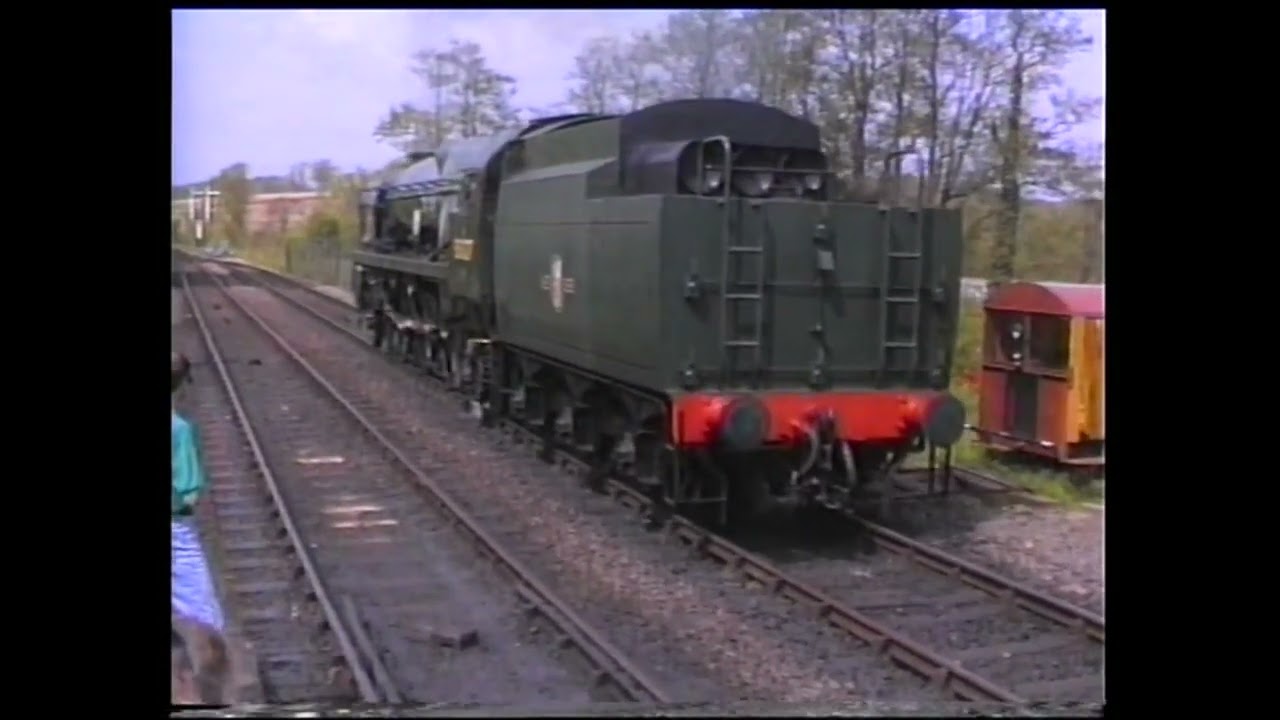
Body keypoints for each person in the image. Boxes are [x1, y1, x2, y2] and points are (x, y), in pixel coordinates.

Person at [171, 351, 230, 704]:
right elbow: (187, 496)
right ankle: (209, 695)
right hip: (173, 530)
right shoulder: (178, 429)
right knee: (205, 619)